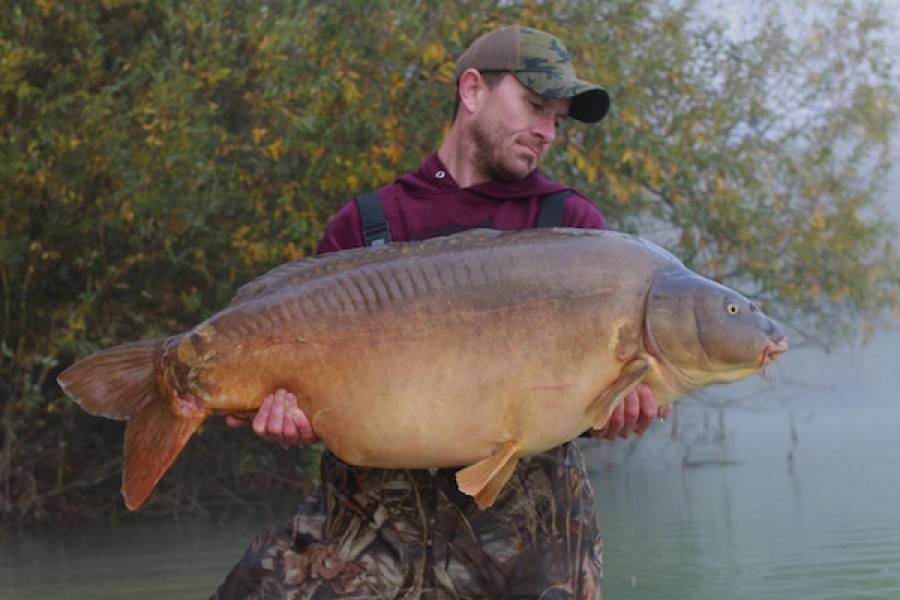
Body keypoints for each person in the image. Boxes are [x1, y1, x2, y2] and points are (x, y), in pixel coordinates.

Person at [213, 25, 671, 599]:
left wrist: (618, 412)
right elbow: (317, 394)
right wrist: (291, 418)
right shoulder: (368, 224)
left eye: (557, 118)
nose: (547, 131)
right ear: (472, 91)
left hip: (524, 531)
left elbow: (587, 404)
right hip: (374, 527)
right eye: (534, 106)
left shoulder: (572, 229)